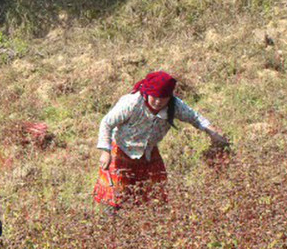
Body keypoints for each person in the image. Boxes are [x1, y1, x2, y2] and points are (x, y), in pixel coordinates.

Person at [93, 71, 228, 208]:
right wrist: (105, 151)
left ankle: (147, 222)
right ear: (147, 93)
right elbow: (107, 123)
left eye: (163, 98)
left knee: (156, 193)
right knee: (117, 195)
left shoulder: (174, 105)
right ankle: (115, 224)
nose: (158, 102)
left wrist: (212, 132)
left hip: (148, 152)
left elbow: (195, 117)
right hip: (122, 148)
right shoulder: (132, 103)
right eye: (155, 97)